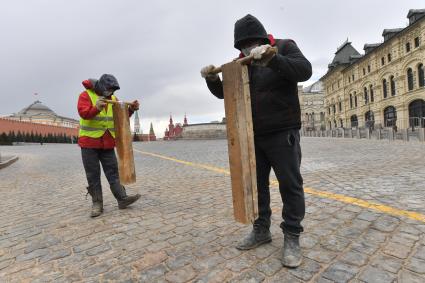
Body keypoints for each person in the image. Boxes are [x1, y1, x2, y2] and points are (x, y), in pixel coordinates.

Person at [200, 14, 312, 267]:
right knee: (257, 185)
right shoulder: (240, 63)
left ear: (262, 38)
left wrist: (274, 60)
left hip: (283, 131)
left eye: (251, 42)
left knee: (290, 185)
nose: (247, 48)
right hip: (252, 134)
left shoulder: (283, 46)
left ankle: (292, 235)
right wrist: (212, 79)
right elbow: (225, 92)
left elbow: (304, 71)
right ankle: (261, 230)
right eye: (243, 45)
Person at [77, 74, 141, 217]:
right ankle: (97, 204)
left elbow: (120, 115)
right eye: (109, 90)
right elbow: (83, 113)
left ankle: (122, 199)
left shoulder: (113, 99)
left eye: (113, 91)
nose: (111, 94)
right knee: (93, 175)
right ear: (101, 86)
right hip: (89, 143)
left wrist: (131, 110)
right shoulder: (85, 95)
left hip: (107, 144)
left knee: (113, 173)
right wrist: (96, 108)